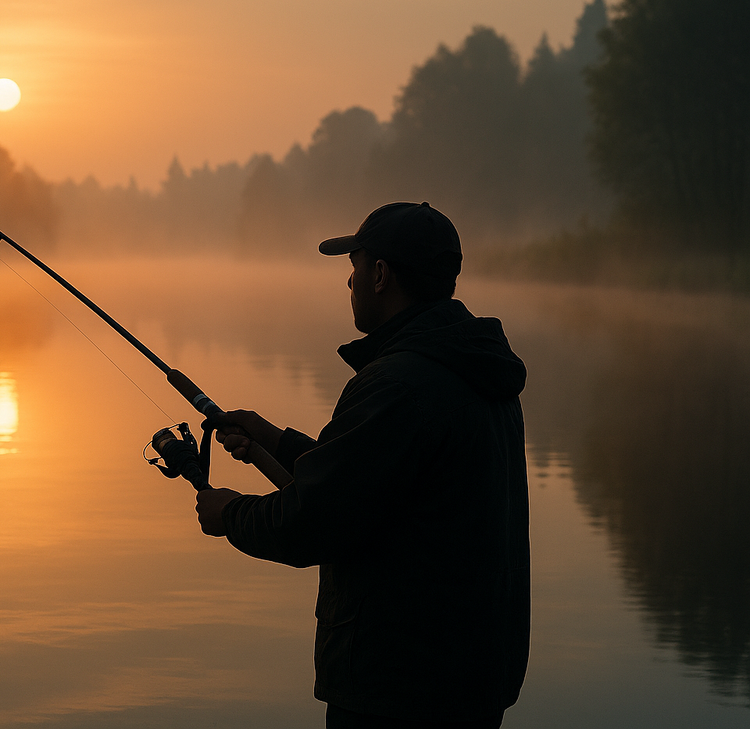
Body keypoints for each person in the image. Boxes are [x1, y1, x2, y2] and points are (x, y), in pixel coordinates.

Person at [196, 202, 529, 729]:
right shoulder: (475, 369)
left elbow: (313, 523)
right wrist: (272, 439)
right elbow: (371, 488)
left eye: (353, 267)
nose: (347, 283)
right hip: (470, 681)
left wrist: (228, 513)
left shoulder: (397, 384)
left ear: (379, 275)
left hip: (396, 689)